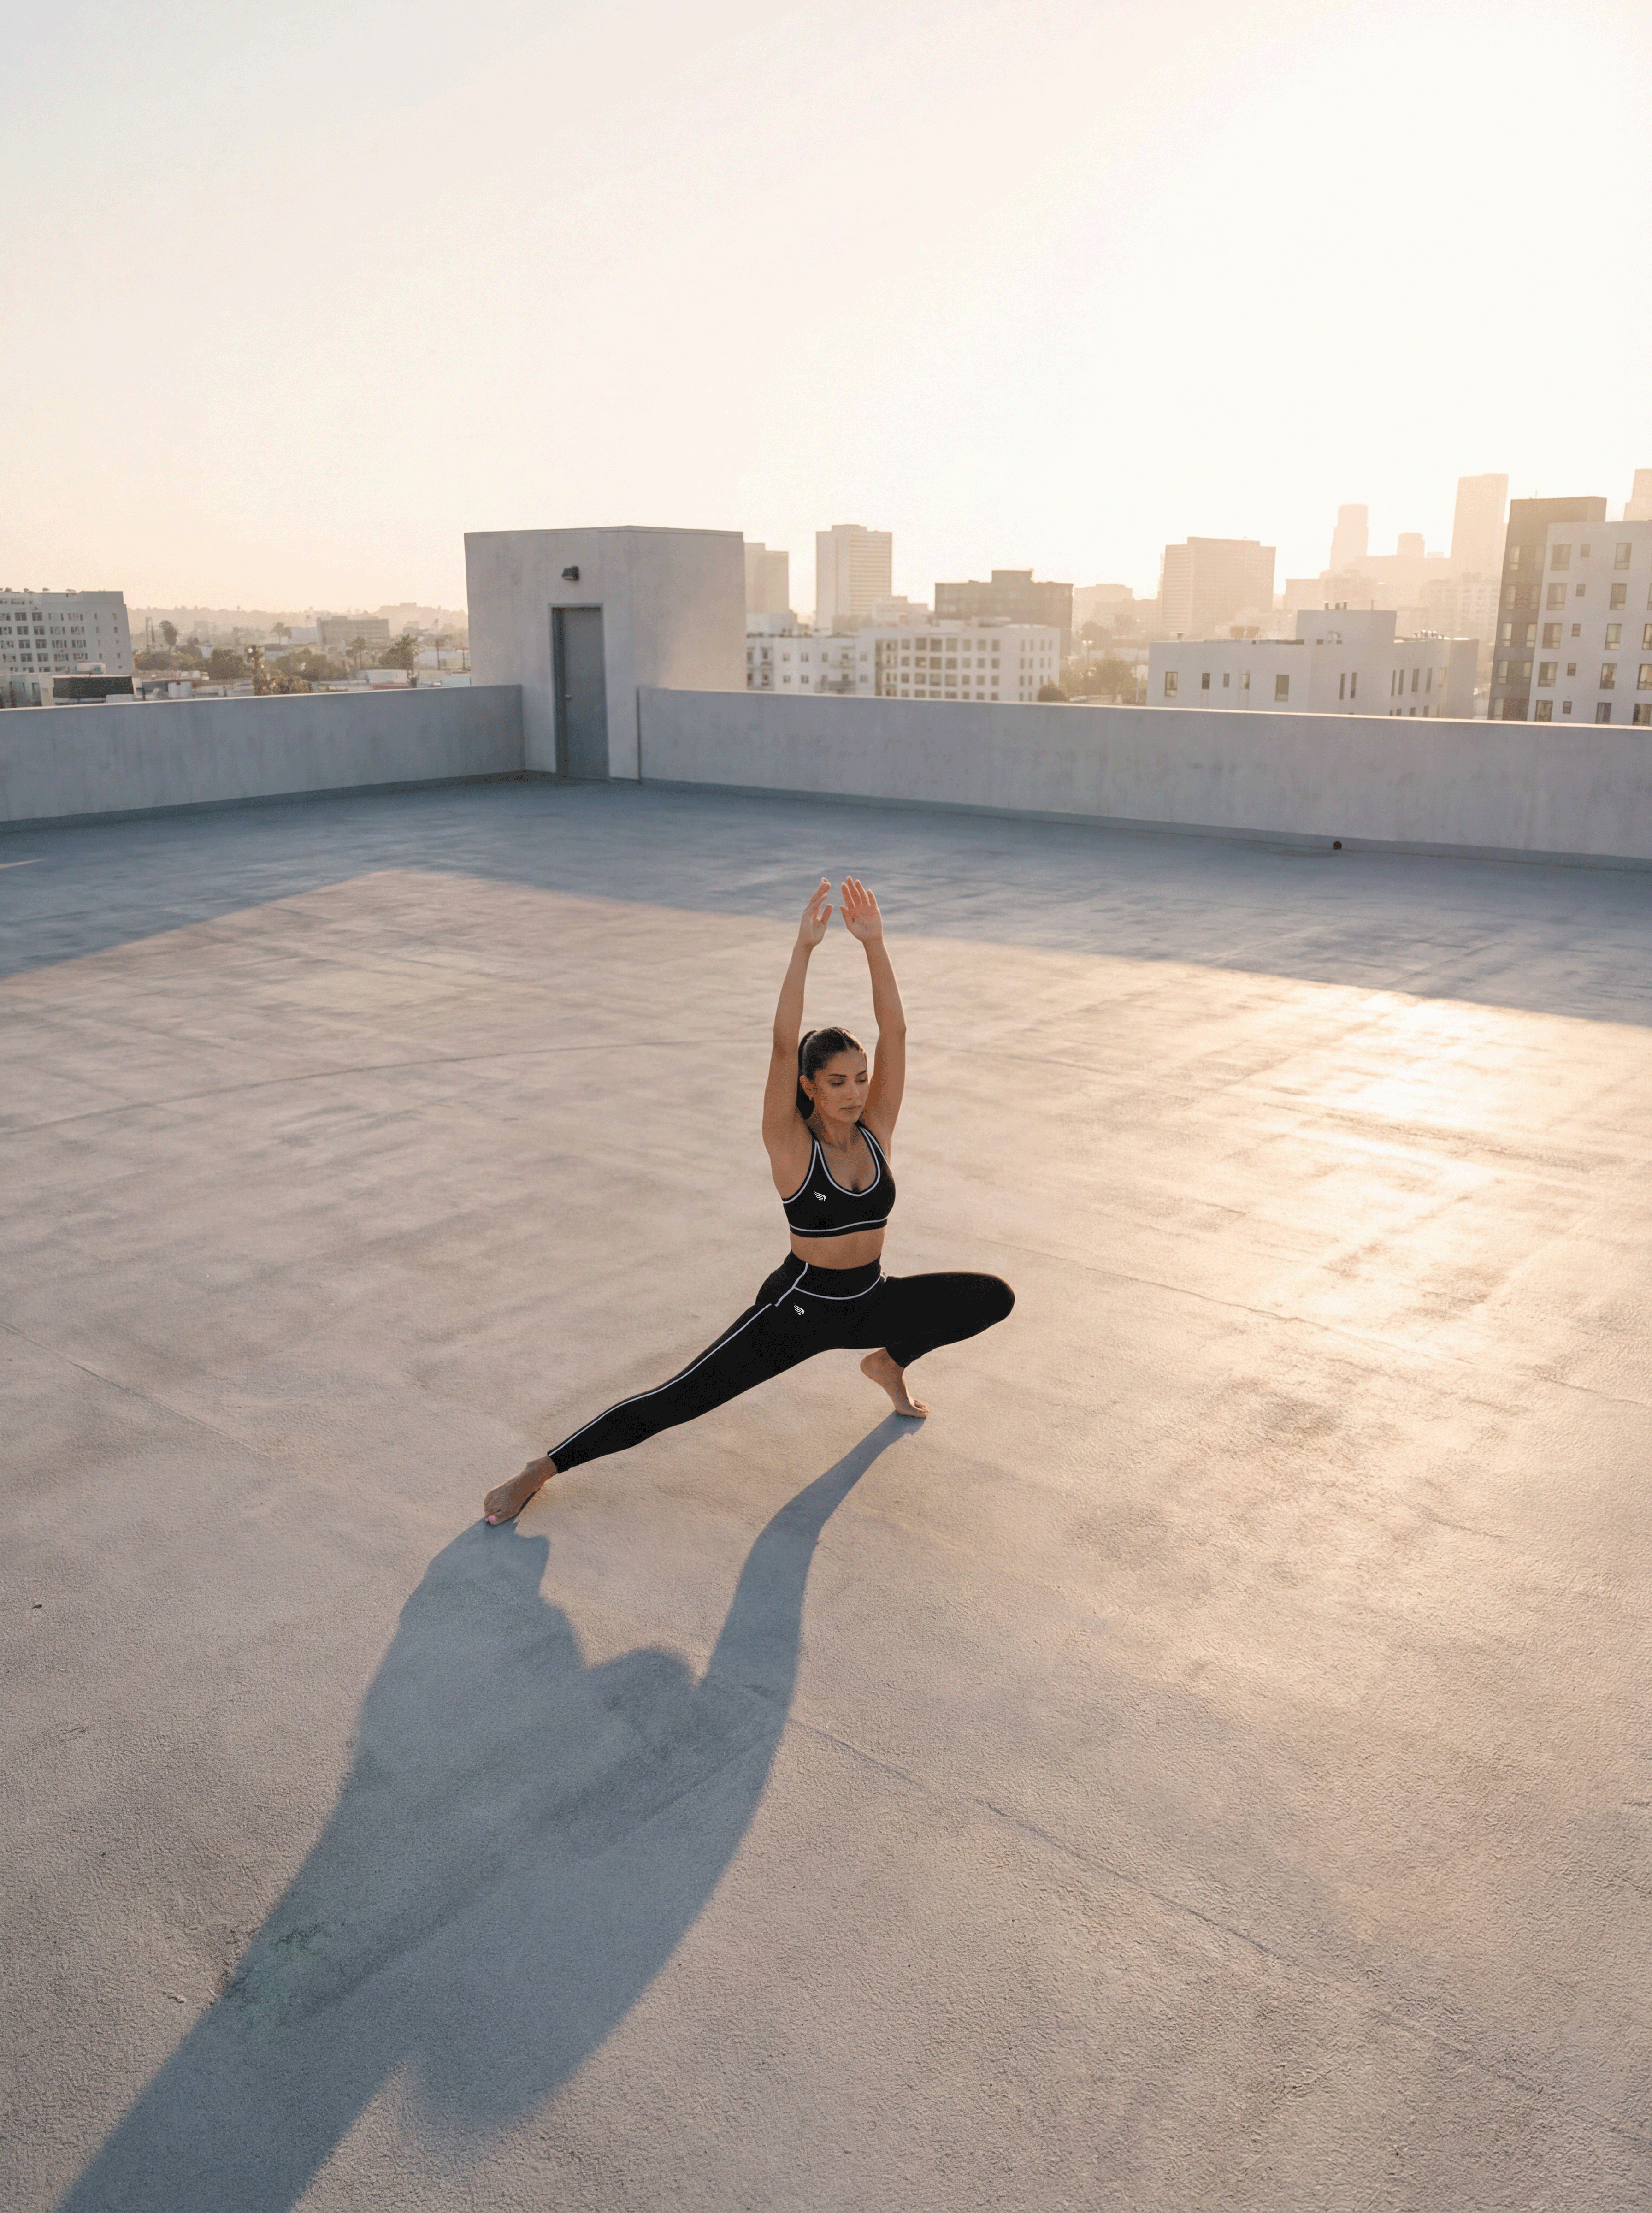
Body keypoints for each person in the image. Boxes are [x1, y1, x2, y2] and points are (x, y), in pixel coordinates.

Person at [483, 876, 1015, 1524]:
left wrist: (875, 945)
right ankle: (541, 1468)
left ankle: (887, 1362)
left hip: (870, 1299)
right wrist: (805, 950)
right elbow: (783, 1043)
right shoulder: (790, 1146)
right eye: (838, 1082)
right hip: (801, 1311)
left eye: (861, 1080)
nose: (854, 1092)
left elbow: (896, 1032)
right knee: (682, 1396)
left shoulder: (876, 1134)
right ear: (810, 1087)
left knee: (991, 1296)